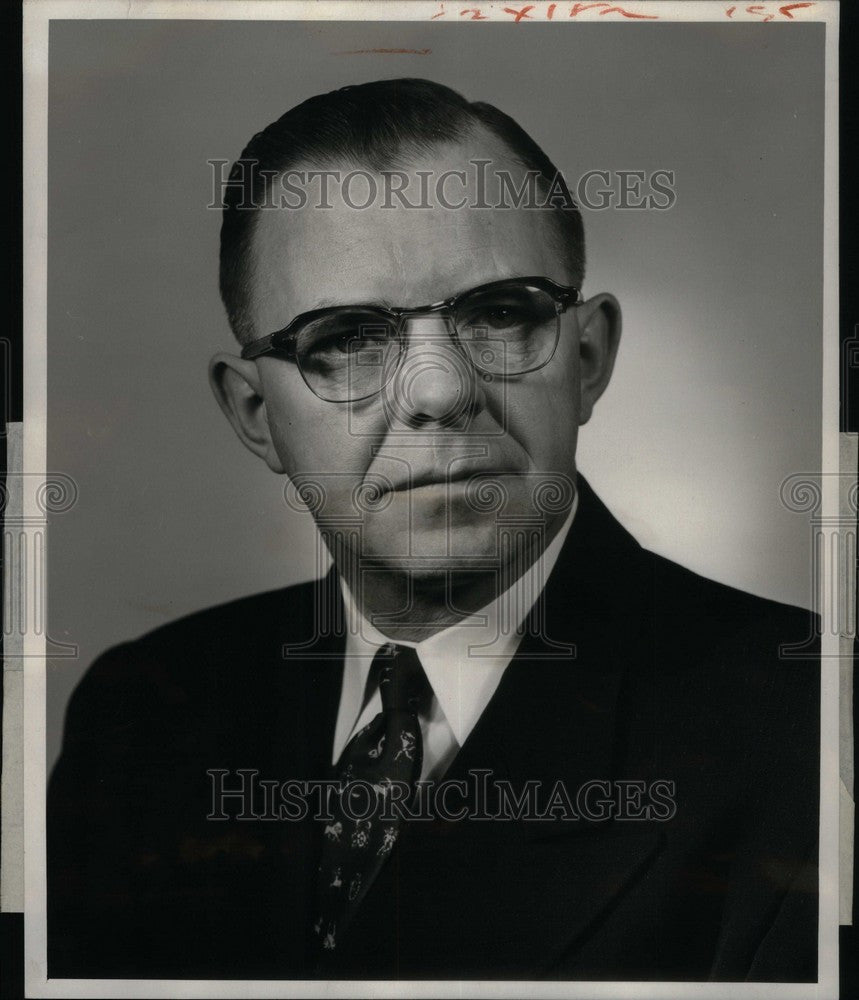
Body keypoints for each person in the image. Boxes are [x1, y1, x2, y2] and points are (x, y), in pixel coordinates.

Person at [48, 78, 819, 982]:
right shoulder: (145, 711)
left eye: (499, 313)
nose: (438, 391)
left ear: (586, 358)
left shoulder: (799, 729)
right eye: (346, 337)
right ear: (255, 413)